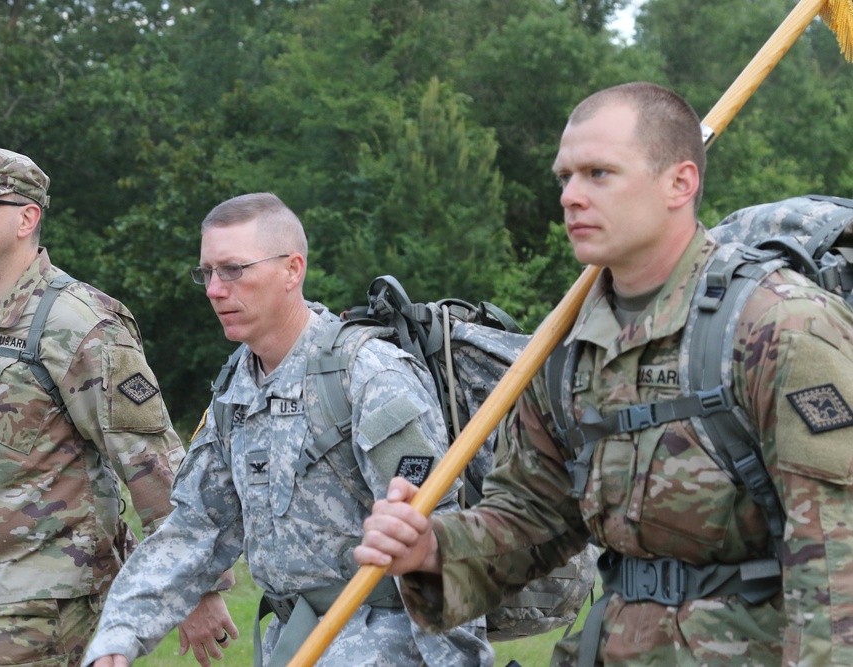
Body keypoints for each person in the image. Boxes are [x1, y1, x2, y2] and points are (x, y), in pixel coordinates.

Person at [355, 81, 853, 665]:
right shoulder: (564, 349)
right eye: (564, 177)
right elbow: (532, 517)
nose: (570, 196)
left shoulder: (778, 324)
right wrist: (431, 549)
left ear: (680, 183)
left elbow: (835, 554)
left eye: (598, 174)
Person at [0, 146, 235, 667]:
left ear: (27, 218)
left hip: (47, 597)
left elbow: (152, 462)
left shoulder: (80, 324)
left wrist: (197, 585)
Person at [82, 192, 494, 667]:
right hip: (294, 642)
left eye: (234, 270)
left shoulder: (369, 376)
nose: (215, 289)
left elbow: (438, 543)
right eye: (207, 272)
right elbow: (198, 528)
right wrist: (118, 637)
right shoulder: (237, 385)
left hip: (385, 645)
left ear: (292, 270)